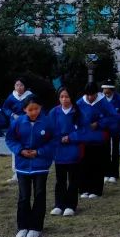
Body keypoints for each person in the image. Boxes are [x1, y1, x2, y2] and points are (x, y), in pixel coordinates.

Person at [5, 96, 56, 237]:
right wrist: (20, 150)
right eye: (30, 110)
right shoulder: (18, 122)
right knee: (24, 196)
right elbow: (10, 139)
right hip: (22, 165)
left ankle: (36, 227)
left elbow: (54, 140)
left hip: (41, 164)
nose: (34, 112)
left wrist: (39, 152)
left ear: (41, 108)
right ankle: (22, 226)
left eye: (36, 109)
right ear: (24, 110)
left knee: (39, 194)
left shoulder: (48, 122)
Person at [48, 88, 86, 217]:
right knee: (60, 180)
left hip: (74, 149)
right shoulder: (54, 112)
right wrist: (59, 138)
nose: (64, 99)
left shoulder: (78, 112)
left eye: (67, 97)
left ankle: (71, 205)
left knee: (73, 180)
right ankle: (59, 204)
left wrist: (71, 137)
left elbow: (84, 130)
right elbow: (49, 130)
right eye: (62, 97)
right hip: (59, 150)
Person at [78, 84, 114, 199]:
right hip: (84, 138)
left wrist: (99, 123)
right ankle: (84, 189)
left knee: (97, 164)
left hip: (98, 138)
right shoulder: (80, 103)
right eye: (88, 95)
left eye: (92, 95)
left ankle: (96, 190)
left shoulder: (103, 102)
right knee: (84, 164)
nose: (90, 98)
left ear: (96, 94)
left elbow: (112, 116)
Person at [100, 83, 120, 185]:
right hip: (105, 128)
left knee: (115, 150)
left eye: (107, 91)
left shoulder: (119, 98)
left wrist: (118, 118)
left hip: (116, 128)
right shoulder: (101, 98)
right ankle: (106, 173)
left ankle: (114, 174)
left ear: (112, 90)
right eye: (104, 90)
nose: (105, 92)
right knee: (105, 150)